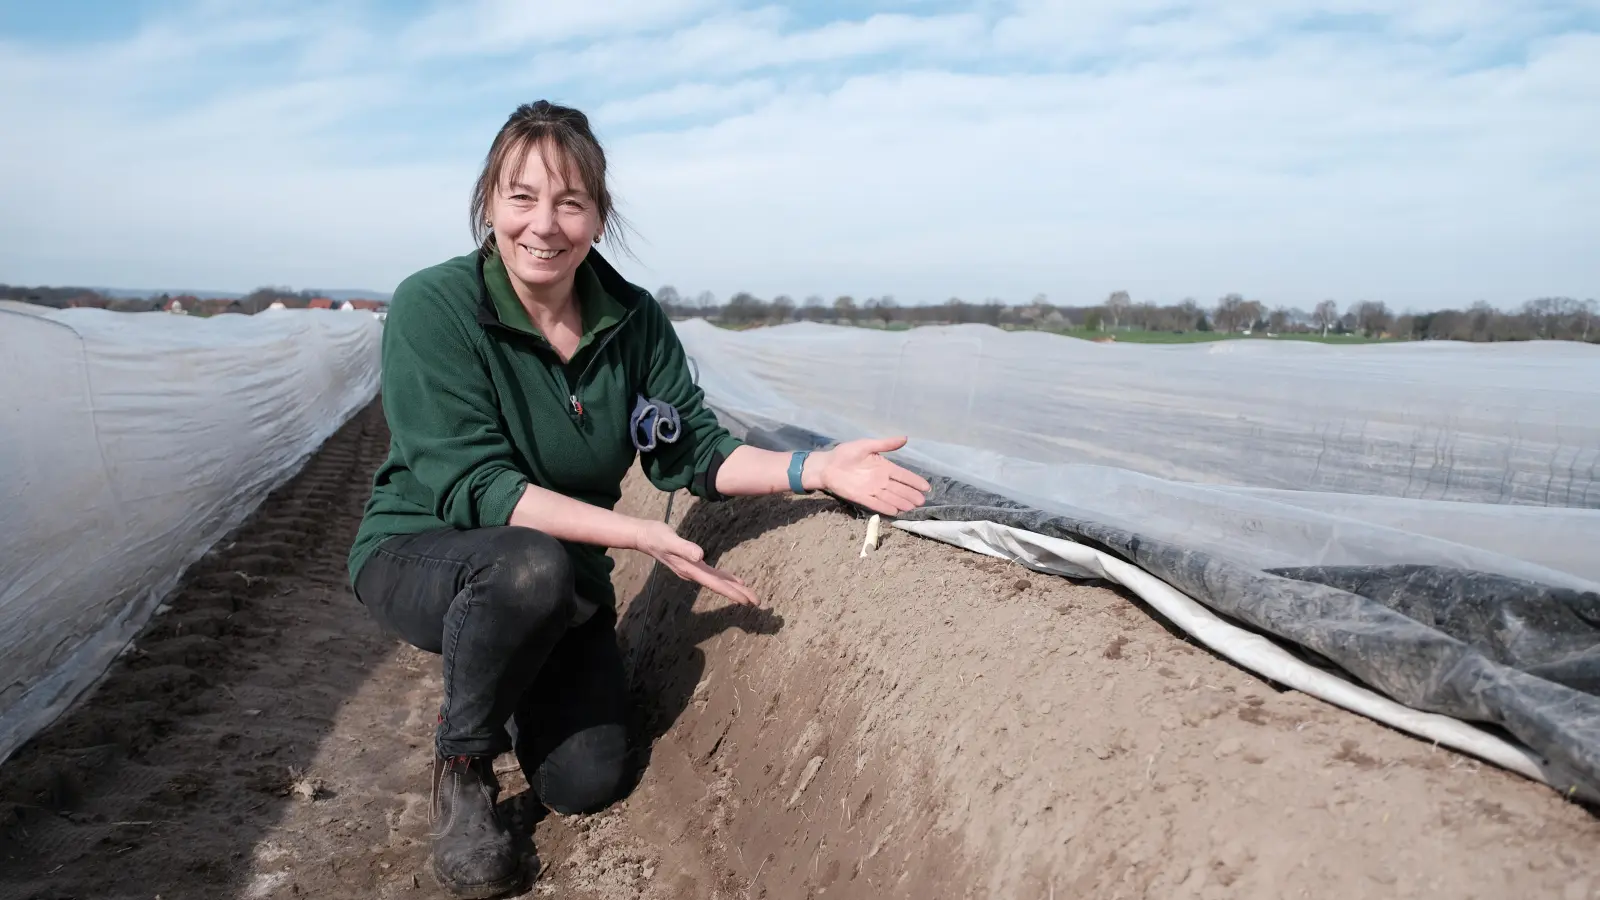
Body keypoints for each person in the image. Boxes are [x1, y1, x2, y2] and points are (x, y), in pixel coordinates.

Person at [347, 100, 931, 899]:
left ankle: (512, 678)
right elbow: (475, 487)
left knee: (586, 779)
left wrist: (817, 469)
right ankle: (463, 765)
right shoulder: (435, 307)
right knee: (527, 570)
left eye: (569, 202)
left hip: (557, 579)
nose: (543, 225)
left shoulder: (633, 321)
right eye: (521, 197)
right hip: (425, 549)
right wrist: (633, 534)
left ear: (598, 215)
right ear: (489, 202)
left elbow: (693, 448)